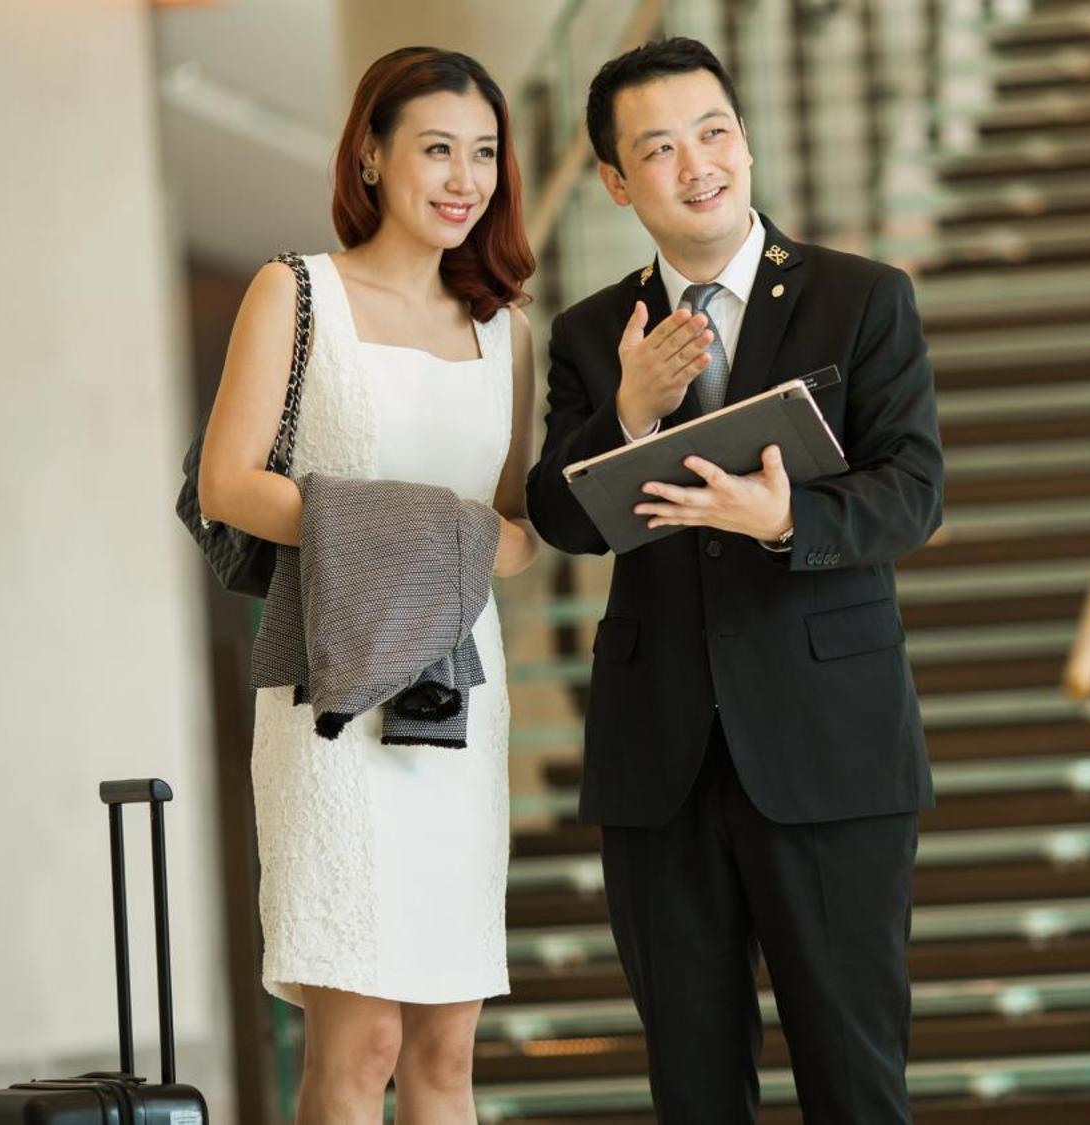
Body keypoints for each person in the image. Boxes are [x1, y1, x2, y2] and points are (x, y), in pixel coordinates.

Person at [523, 36, 944, 1125]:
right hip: (657, 761)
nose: (695, 163)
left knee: (855, 1084)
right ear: (616, 183)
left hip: (828, 748)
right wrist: (624, 413)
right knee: (693, 1092)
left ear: (745, 141)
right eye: (657, 149)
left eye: (712, 132)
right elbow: (560, 519)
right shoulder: (585, 334)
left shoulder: (861, 299)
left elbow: (913, 492)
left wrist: (784, 517)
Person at [196, 46, 539, 1124]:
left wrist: (459, 536)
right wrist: (413, 525)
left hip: (456, 706)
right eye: (436, 148)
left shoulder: (506, 331)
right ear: (371, 155)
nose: (462, 178)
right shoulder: (296, 293)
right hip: (329, 699)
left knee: (445, 1054)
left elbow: (516, 535)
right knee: (361, 1044)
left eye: (483, 154)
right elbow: (226, 483)